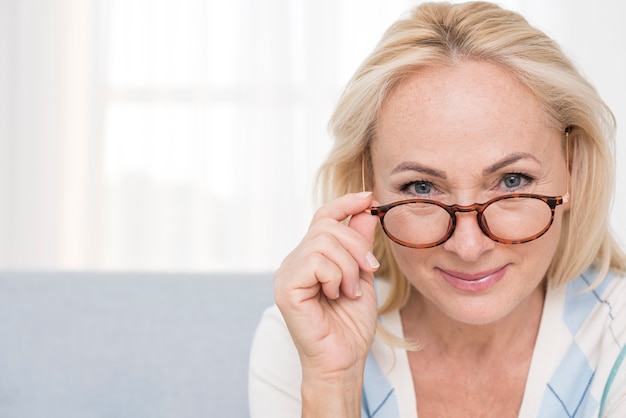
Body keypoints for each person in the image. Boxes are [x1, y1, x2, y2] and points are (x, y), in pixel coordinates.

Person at [248, 2, 626, 417]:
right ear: (367, 185)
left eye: (512, 181)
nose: (468, 247)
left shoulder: (616, 338)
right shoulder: (304, 337)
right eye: (422, 188)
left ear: (571, 168)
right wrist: (332, 384)